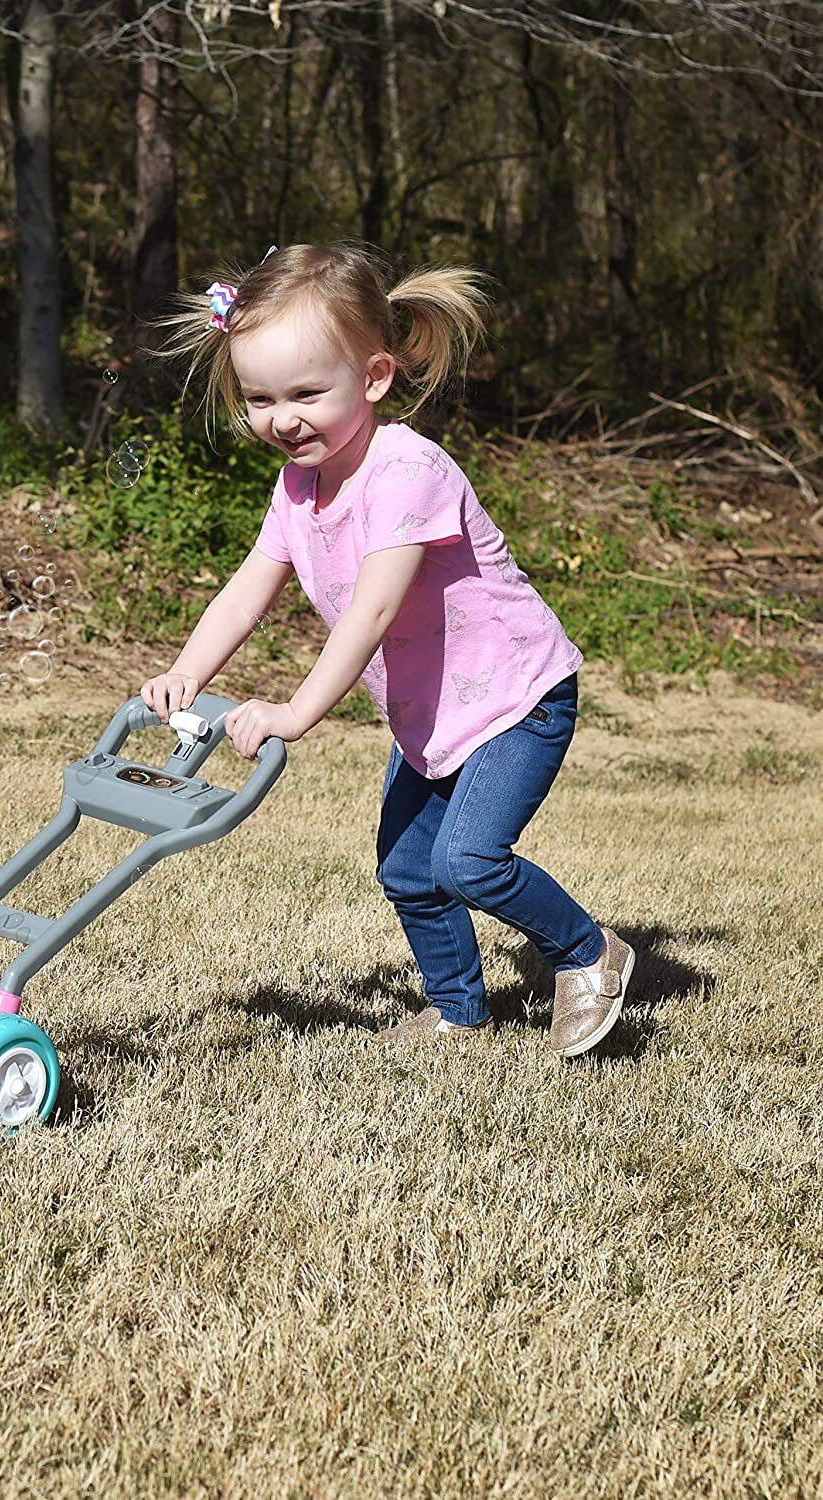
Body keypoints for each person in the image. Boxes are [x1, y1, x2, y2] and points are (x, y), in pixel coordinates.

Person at [139, 242, 634, 1055]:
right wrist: (188, 669)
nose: (281, 418)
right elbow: (248, 587)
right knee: (409, 872)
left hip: (516, 700)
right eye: (260, 398)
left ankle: (590, 953)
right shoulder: (298, 485)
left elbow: (370, 614)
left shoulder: (407, 471)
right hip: (433, 713)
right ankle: (458, 1010)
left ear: (372, 379)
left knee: (469, 861)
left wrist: (296, 711)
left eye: (305, 393)